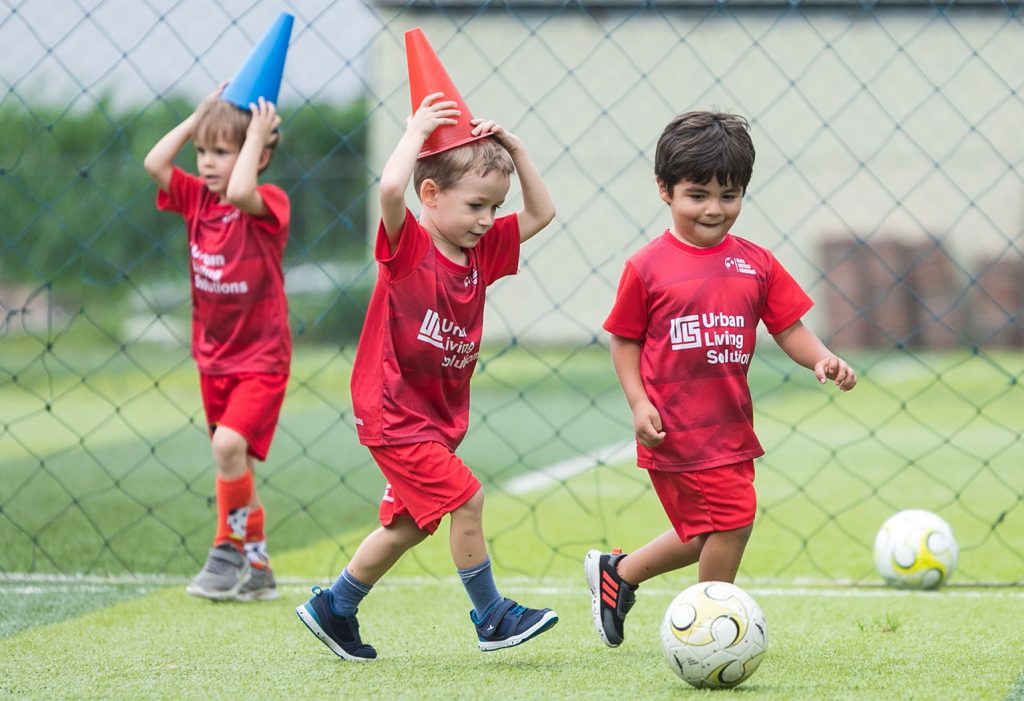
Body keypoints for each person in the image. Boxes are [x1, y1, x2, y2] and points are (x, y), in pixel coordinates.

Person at [296, 93, 558, 661]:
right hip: (393, 411)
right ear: (432, 195)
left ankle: (335, 607)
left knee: (411, 524)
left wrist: (515, 148)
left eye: (495, 206)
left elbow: (542, 214)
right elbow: (391, 189)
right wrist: (415, 131)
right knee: (467, 499)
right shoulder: (409, 246)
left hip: (435, 418)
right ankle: (491, 617)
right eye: (475, 205)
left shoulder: (482, 252)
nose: (487, 219)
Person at [586, 111, 857, 647]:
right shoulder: (647, 267)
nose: (713, 209)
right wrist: (639, 404)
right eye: (697, 195)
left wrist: (822, 358)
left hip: (731, 426)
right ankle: (710, 628)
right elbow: (624, 339)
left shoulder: (756, 264)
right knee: (733, 518)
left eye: (728, 195)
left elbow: (789, 327)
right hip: (675, 427)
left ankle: (619, 574)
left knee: (705, 532)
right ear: (664, 190)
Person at [143, 85, 290, 602]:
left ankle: (225, 549)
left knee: (226, 446)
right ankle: (260, 569)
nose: (206, 163)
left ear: (258, 152)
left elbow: (242, 189)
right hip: (214, 360)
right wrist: (200, 120)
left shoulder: (267, 202)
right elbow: (155, 160)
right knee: (237, 465)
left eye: (221, 151)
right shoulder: (194, 198)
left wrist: (250, 137)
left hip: (261, 361)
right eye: (203, 151)